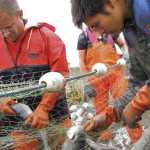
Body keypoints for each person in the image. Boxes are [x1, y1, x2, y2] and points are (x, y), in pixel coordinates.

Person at [71, 0, 150, 144]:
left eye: (96, 24)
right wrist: (110, 115)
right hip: (97, 80)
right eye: (91, 28)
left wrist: (137, 105)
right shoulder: (128, 28)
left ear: (111, 3)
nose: (98, 33)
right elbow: (138, 83)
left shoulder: (145, 10)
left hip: (115, 74)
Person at [0, 0, 70, 149]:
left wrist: (44, 108)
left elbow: (61, 73)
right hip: (19, 124)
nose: (5, 33)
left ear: (20, 14)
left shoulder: (47, 36)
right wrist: (2, 102)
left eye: (8, 27)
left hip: (55, 117)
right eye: (0, 29)